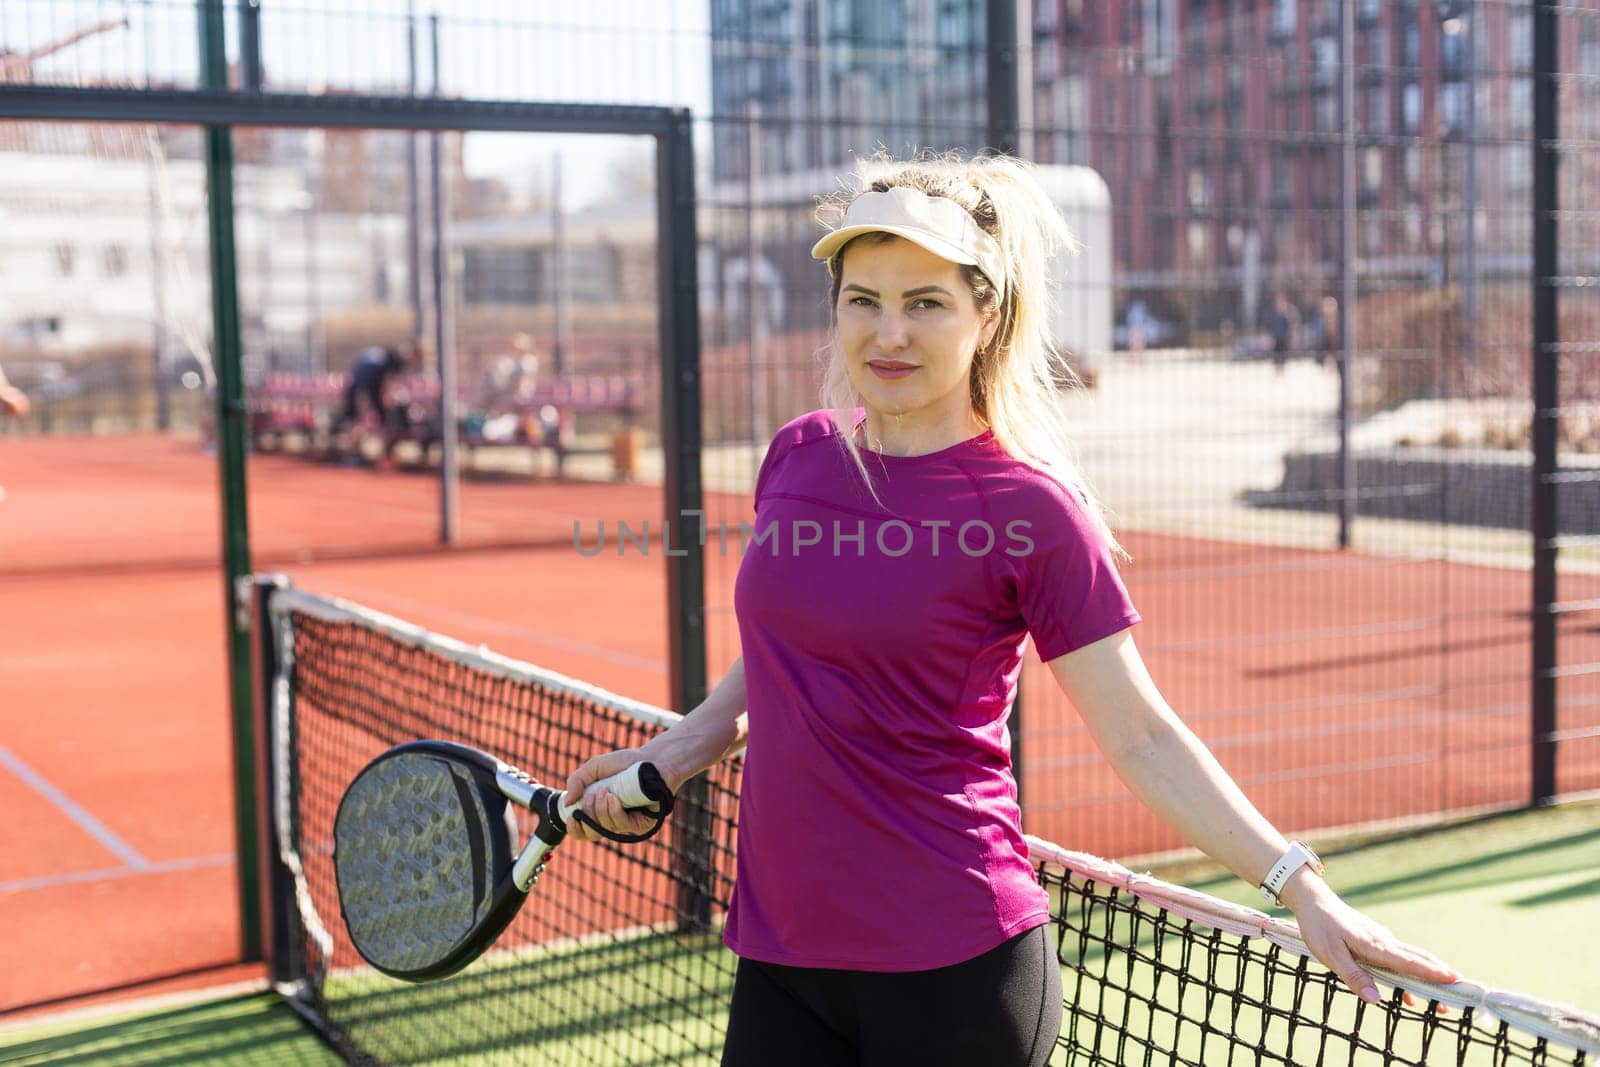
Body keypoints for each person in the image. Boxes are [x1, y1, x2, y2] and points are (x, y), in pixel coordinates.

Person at [562, 153, 1459, 1067]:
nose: (888, 333)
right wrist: (676, 751)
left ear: (986, 316)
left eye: (926, 302)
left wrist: (1296, 880)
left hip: (955, 972)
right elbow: (786, 652)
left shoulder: (1030, 512)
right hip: (781, 958)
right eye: (863, 299)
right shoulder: (799, 456)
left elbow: (1141, 734)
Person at [334, 345, 409, 463]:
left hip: (363, 388)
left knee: (362, 421)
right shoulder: (384, 364)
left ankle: (376, 455)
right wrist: (386, 397)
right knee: (358, 421)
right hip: (362, 388)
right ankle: (357, 454)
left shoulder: (378, 360)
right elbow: (385, 383)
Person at [1267, 289, 1301, 373]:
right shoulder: (1273, 312)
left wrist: (1291, 337)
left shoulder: (1288, 311)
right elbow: (1270, 326)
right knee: (1276, 355)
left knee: (1283, 356)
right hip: (1276, 338)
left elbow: (1291, 325)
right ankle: (1277, 369)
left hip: (1284, 338)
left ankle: (1282, 369)